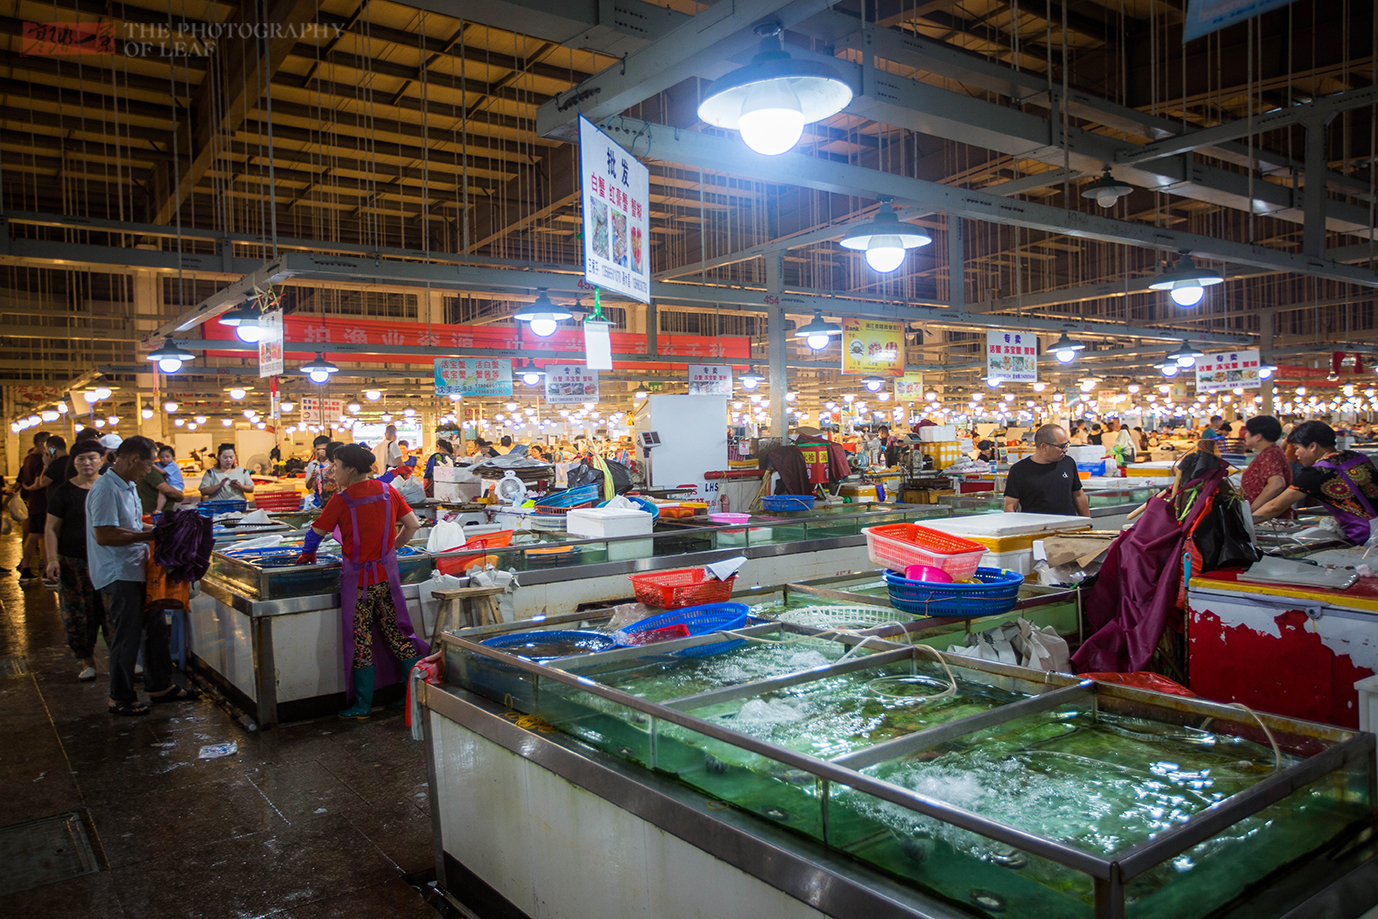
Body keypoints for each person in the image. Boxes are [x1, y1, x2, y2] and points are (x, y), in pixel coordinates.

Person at [295, 444, 428, 720]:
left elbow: (315, 533)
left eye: (337, 465)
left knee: (361, 642)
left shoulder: (341, 501)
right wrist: (390, 548)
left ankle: (362, 706)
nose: (333, 470)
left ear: (351, 469)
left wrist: (307, 556)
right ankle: (412, 695)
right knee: (398, 635)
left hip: (358, 586)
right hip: (386, 580)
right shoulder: (388, 491)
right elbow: (413, 525)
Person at [87, 436, 198, 715]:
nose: (150, 470)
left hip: (138, 566)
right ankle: (120, 697)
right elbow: (105, 534)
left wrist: (157, 528)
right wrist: (152, 534)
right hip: (118, 572)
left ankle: (160, 685)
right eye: (149, 464)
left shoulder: (128, 486)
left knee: (156, 628)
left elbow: (132, 524)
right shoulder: (105, 490)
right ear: (135, 459)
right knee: (128, 635)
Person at [44, 439, 110, 681]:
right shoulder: (64, 491)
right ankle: (87, 662)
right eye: (81, 459)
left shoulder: (110, 487)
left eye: (92, 457)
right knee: (77, 615)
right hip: (73, 563)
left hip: (106, 560)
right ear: (74, 462)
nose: (87, 463)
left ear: (102, 460)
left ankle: (124, 659)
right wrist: (52, 559)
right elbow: (51, 528)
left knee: (112, 612)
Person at [1255, 420, 1378, 544]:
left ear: (1313, 446)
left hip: (1369, 536)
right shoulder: (1356, 456)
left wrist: (1244, 523)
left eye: (1297, 448)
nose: (1296, 453)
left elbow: (1274, 507)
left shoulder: (1317, 472)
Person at [1003, 424, 1090, 517]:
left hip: (1068, 527)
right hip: (1037, 528)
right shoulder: (1019, 470)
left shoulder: (1068, 462)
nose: (1065, 450)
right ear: (1044, 446)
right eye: (1061, 446)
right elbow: (1010, 505)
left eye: (1067, 445)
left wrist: (1088, 523)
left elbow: (1078, 495)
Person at [16, 430, 51, 583]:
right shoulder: (39, 460)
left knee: (34, 536)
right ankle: (44, 570)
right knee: (44, 535)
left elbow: (24, 480)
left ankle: (26, 568)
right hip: (42, 502)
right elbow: (38, 483)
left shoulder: (28, 459)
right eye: (48, 443)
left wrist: (27, 488)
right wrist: (30, 488)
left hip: (34, 503)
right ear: (41, 444)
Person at [1240, 415, 1292, 512]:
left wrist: (1253, 510)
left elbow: (1277, 484)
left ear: (1258, 437)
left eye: (1247, 432)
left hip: (1266, 519)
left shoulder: (1270, 454)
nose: (1245, 435)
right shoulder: (1270, 452)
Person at [304, 436, 333, 507]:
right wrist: (312, 477)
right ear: (314, 450)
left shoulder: (333, 463)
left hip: (332, 498)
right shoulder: (312, 465)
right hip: (317, 500)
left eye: (324, 449)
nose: (321, 451)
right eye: (318, 449)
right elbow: (308, 486)